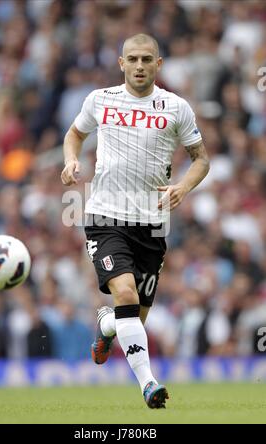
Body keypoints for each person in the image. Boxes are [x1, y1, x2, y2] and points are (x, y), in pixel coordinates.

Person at [61, 34, 210, 409]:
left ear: (158, 65)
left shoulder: (176, 108)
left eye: (147, 59)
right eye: (133, 59)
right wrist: (70, 160)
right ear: (121, 63)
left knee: (134, 317)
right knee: (125, 293)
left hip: (152, 225)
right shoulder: (100, 100)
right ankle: (149, 384)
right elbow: (75, 134)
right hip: (105, 216)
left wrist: (184, 187)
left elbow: (201, 159)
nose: (140, 66)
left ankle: (108, 324)